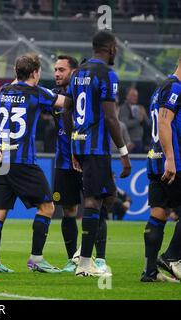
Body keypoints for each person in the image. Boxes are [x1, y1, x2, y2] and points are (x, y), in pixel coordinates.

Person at [0, 54, 69, 274]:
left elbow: (15, 86)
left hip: (0, 158)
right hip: (22, 160)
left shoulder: (3, 91)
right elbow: (65, 103)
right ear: (34, 73)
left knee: (0, 210)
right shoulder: (36, 93)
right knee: (47, 207)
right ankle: (36, 259)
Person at [63, 31, 131, 277]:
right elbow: (111, 117)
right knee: (93, 200)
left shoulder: (77, 72)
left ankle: (91, 255)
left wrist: (73, 145)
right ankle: (84, 264)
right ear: (111, 48)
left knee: (108, 197)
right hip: (96, 147)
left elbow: (66, 111)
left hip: (81, 145)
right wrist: (123, 153)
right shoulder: (106, 74)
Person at [142, 56, 181, 282]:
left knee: (158, 213)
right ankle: (172, 257)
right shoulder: (175, 86)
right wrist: (171, 159)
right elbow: (165, 122)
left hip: (155, 158)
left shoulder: (160, 88)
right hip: (172, 161)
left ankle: (149, 272)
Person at [50, 55, 83, 273]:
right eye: (55, 69)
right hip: (63, 162)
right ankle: (73, 259)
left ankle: (96, 258)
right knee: (68, 209)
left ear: (73, 72)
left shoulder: (85, 95)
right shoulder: (54, 97)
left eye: (61, 69)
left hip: (86, 159)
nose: (56, 74)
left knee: (94, 207)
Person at [119, 87, 150, 153]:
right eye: (133, 95)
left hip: (141, 141)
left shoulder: (139, 107)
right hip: (130, 142)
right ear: (127, 96)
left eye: (136, 96)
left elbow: (148, 124)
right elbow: (124, 124)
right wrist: (139, 119)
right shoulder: (123, 108)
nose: (135, 97)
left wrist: (144, 115)